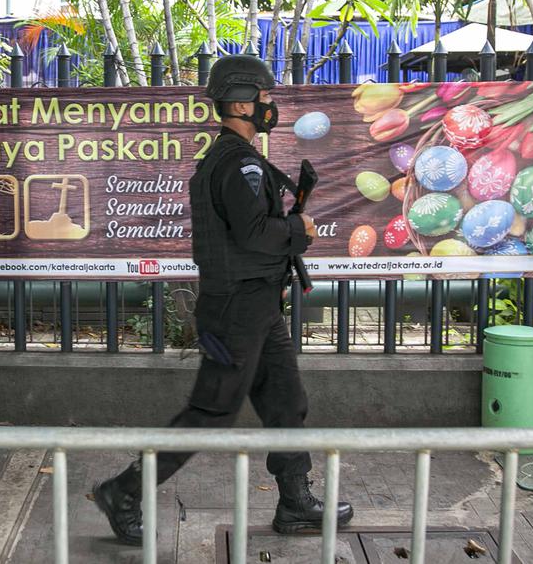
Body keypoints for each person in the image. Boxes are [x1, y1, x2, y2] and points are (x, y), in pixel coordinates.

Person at [92, 55, 354, 544]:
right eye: (266, 97)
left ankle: (295, 500)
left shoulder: (240, 160)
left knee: (285, 401)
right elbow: (254, 234)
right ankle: (125, 491)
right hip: (235, 310)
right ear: (241, 102)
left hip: (255, 306)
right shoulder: (239, 164)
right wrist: (299, 228)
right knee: (211, 411)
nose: (272, 105)